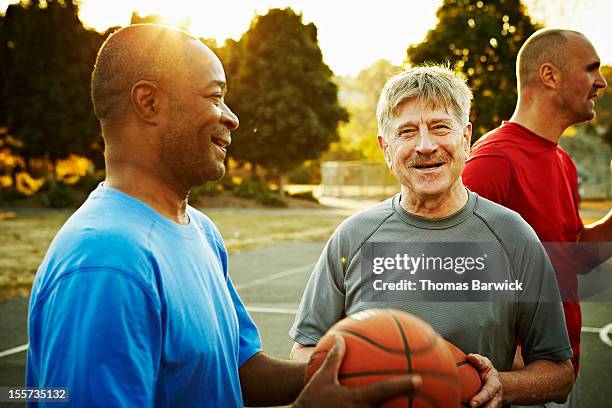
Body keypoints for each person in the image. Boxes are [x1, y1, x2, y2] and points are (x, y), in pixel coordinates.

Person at [25, 24, 420, 407]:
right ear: (149, 103)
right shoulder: (106, 263)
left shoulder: (200, 231)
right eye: (215, 96)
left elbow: (238, 371)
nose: (231, 117)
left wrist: (369, 374)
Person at [289, 65, 575, 407]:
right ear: (385, 148)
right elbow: (305, 348)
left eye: (440, 127)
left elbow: (559, 372)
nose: (425, 146)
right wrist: (352, 377)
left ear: (466, 138)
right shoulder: (353, 237)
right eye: (407, 132)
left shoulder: (513, 236)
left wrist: (503, 385)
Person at [463, 29, 611, 407]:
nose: (601, 82)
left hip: (561, 372)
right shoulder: (493, 160)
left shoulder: (562, 161)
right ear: (550, 75)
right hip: (517, 381)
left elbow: (572, 257)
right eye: (591, 69)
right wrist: (513, 365)